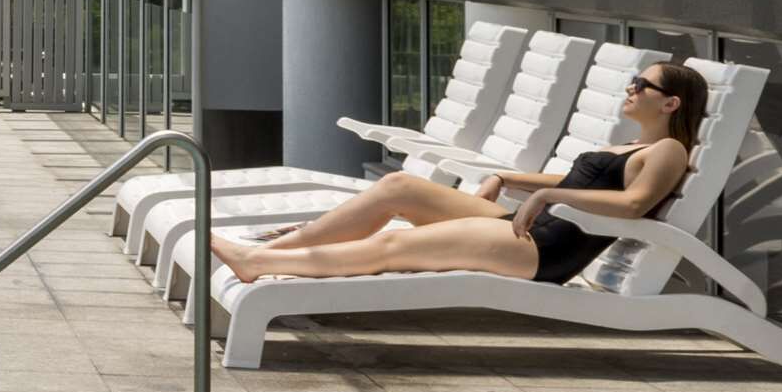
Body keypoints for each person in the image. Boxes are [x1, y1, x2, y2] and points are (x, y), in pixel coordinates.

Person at [212, 62, 711, 289]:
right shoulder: (631, 144)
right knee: (399, 187)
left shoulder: (667, 149)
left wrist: (547, 198)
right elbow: (582, 181)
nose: (630, 88)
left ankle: (256, 262)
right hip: (530, 225)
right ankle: (275, 251)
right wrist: (509, 178)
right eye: (632, 80)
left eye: (642, 84)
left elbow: (633, 206)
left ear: (670, 103)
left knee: (395, 248)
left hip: (546, 248)